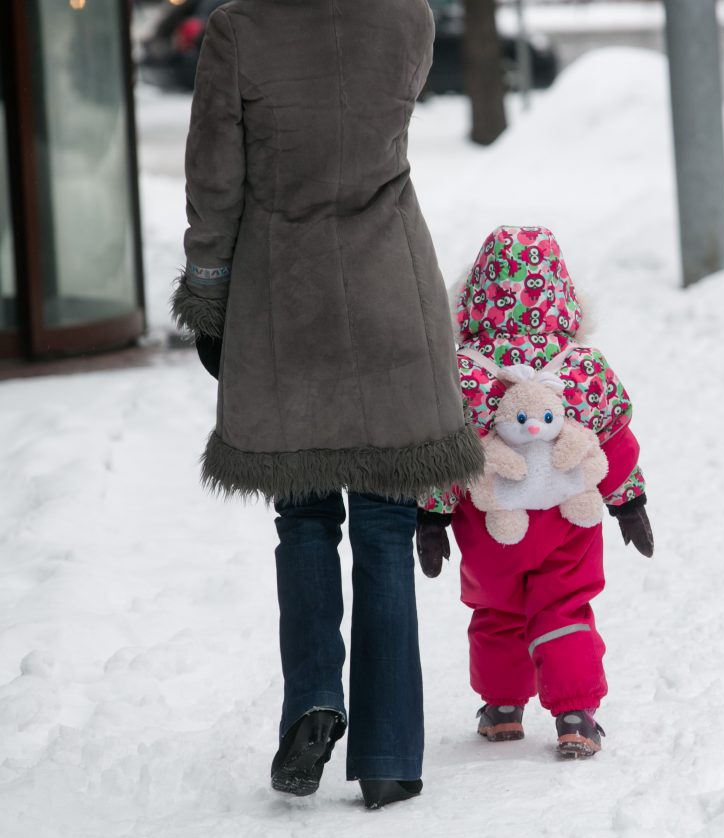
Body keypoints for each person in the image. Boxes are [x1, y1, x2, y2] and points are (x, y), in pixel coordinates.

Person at [171, 0, 483, 809]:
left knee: (304, 519)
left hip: (286, 302)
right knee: (385, 526)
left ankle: (314, 695)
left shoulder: (241, 29)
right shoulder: (406, 19)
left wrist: (208, 294)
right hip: (391, 287)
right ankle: (389, 758)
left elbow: (214, 180)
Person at [415, 225, 654, 757]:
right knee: (564, 606)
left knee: (497, 609)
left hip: (491, 518)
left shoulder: (461, 374)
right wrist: (628, 501)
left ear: (474, 295)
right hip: (568, 518)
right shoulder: (583, 370)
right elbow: (616, 443)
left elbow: (444, 455)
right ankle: (575, 716)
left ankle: (502, 709)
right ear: (564, 294)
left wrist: (431, 516)